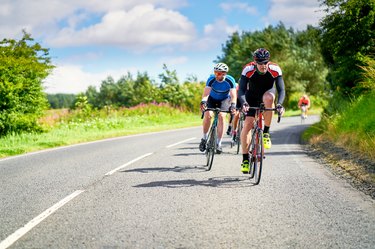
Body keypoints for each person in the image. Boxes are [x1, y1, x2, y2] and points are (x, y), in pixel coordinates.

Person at [238, 48, 285, 173]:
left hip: (267, 94)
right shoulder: (248, 69)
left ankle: (266, 133)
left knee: (269, 98)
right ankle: (245, 159)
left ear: (268, 61)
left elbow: (281, 90)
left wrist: (279, 104)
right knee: (247, 125)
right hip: (251, 97)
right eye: (260, 63)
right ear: (255, 61)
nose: (263, 66)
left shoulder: (275, 69)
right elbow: (241, 90)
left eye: (265, 62)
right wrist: (244, 103)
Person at [199, 63, 237, 154]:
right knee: (208, 115)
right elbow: (206, 94)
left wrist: (233, 105)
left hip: (224, 100)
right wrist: (204, 101)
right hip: (211, 99)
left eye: (219, 73)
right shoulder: (211, 79)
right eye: (216, 73)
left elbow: (233, 95)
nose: (217, 75)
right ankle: (204, 138)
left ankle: (219, 143)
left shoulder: (230, 80)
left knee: (221, 116)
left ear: (224, 74)